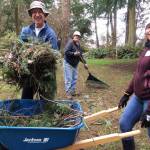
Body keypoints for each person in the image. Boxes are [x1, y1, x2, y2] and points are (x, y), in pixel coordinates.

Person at [118, 23, 150, 150]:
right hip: (138, 98)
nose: (148, 31)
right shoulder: (145, 50)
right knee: (124, 124)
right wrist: (127, 94)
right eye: (147, 30)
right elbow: (138, 74)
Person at [20, 0, 58, 99]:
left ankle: (46, 111)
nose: (37, 14)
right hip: (29, 74)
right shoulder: (25, 31)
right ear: (31, 15)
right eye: (34, 12)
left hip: (45, 75)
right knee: (26, 101)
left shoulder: (50, 33)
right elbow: (20, 48)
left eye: (39, 12)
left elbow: (54, 55)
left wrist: (36, 60)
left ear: (44, 14)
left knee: (46, 103)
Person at [64, 31, 88, 99]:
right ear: (73, 36)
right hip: (68, 63)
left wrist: (85, 63)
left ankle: (72, 92)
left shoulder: (78, 45)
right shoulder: (70, 43)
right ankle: (68, 93)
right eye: (76, 36)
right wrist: (74, 54)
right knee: (68, 78)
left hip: (75, 64)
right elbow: (66, 52)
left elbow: (80, 55)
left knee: (74, 78)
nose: (77, 38)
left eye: (78, 37)